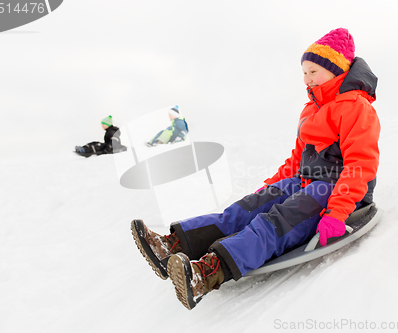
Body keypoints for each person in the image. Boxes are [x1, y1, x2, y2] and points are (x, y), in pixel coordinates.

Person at [131, 28, 380, 310]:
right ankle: (174, 244)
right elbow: (297, 159)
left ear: (337, 70)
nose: (307, 79)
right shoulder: (310, 110)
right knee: (248, 208)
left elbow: (361, 164)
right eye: (304, 72)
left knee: (279, 219)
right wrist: (270, 188)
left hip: (339, 189)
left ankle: (209, 273)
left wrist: (338, 212)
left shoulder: (356, 108)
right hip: (305, 180)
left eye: (314, 71)